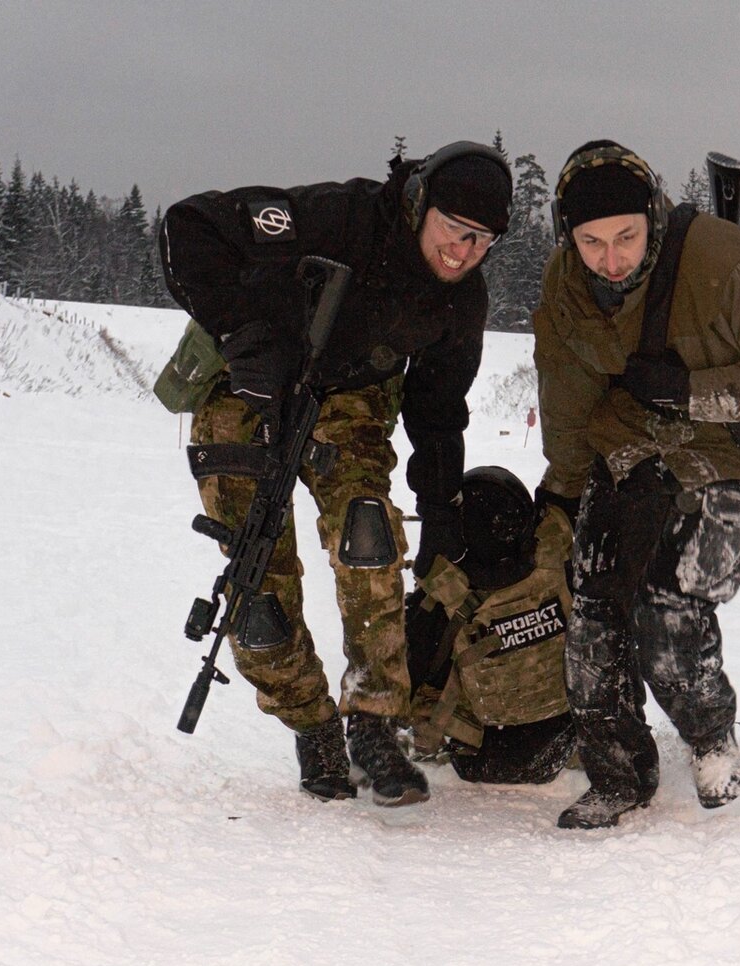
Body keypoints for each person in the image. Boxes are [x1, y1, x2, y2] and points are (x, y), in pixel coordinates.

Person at [156, 141, 513, 806]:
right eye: (453, 231)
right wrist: (244, 337)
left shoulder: (457, 303)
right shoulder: (339, 218)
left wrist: (441, 520)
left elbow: (437, 415)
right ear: (420, 206)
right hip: (246, 391)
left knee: (367, 535)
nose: (462, 253)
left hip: (351, 402)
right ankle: (312, 726)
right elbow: (188, 227)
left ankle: (375, 722)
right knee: (256, 593)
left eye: (482, 241)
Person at [532, 140, 740, 828]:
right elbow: (568, 395)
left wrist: (693, 392)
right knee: (594, 610)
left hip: (721, 451)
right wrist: (564, 489)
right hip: (627, 446)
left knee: (668, 613)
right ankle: (618, 772)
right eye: (591, 242)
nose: (610, 258)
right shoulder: (566, 286)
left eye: (626, 238)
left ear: (652, 218)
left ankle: (711, 741)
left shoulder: (723, 263)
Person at [405, 466, 576, 785]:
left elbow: (410, 672)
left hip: (482, 756)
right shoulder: (560, 557)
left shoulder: (443, 595)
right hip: (569, 738)